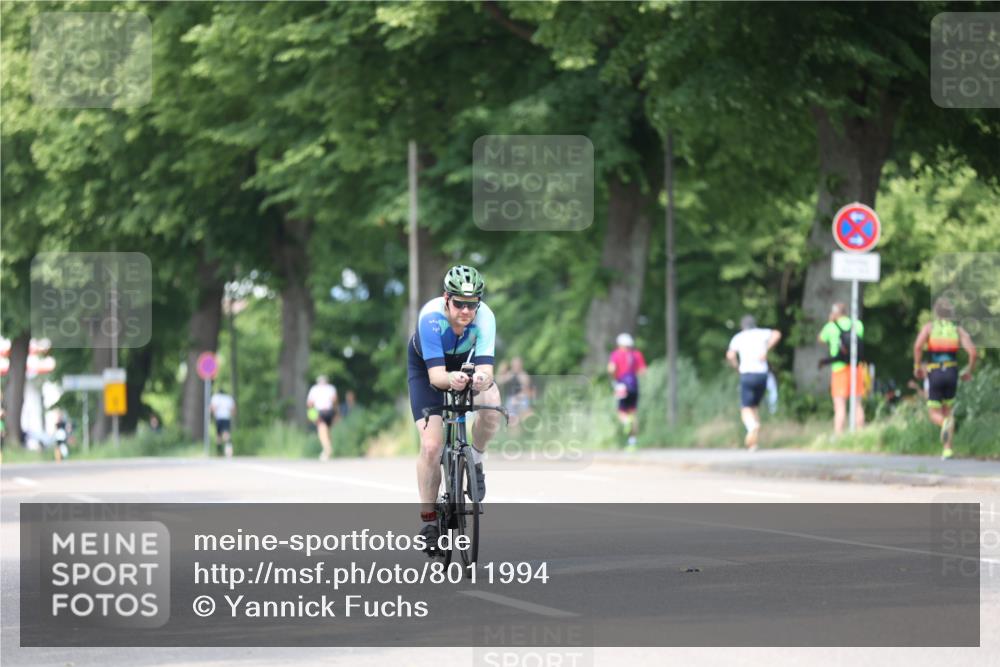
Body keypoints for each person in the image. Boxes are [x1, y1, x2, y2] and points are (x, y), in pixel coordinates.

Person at [409, 265, 501, 553]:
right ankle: (428, 522)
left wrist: (481, 379)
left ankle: (475, 458)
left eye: (472, 304)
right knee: (432, 445)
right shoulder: (431, 318)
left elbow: (486, 370)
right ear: (446, 298)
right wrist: (452, 379)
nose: (466, 310)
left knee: (491, 403)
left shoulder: (485, 318)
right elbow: (437, 378)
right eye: (459, 303)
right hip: (428, 371)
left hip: (464, 367)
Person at [913, 297, 977, 460]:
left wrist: (917, 366)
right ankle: (947, 450)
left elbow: (918, 346)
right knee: (948, 412)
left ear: (936, 313)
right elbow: (973, 352)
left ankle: (943, 424)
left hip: (934, 372)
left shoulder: (929, 328)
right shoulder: (957, 330)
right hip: (952, 372)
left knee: (934, 413)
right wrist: (969, 370)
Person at [726, 315, 782, 451]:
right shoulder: (761, 333)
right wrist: (766, 350)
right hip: (762, 375)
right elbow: (777, 334)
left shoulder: (739, 337)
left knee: (746, 408)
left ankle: (752, 427)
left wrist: (736, 366)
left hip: (747, 374)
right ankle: (754, 444)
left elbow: (730, 355)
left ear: (742, 326)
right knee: (755, 407)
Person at [817, 302, 867, 435]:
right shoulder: (857, 324)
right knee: (857, 403)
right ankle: (860, 434)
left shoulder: (830, 326)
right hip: (856, 368)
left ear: (834, 313)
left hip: (839, 368)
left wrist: (830, 321)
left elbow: (821, 339)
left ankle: (838, 435)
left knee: (839, 405)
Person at [607, 333, 647, 449]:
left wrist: (614, 378)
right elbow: (643, 371)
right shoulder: (637, 354)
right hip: (634, 385)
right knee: (633, 414)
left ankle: (625, 422)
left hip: (621, 385)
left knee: (621, 412)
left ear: (620, 344)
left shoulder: (616, 354)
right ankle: (632, 443)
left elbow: (611, 368)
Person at [497, 356, 533, 434]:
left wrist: (518, 397)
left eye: (517, 364)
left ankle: (525, 432)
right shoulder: (510, 374)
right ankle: (515, 436)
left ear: (521, 365)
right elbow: (499, 381)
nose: (515, 366)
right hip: (511, 399)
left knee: (525, 415)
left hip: (522, 398)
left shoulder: (523, 375)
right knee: (512, 419)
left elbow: (527, 390)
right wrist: (501, 371)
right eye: (514, 364)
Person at [307, 375, 339, 461]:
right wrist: (336, 413)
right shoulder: (331, 388)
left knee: (321, 431)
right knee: (327, 431)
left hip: (320, 412)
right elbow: (335, 401)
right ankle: (326, 452)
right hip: (329, 411)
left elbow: (310, 403)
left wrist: (312, 415)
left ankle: (327, 448)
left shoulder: (314, 389)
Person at [209, 388, 236, 458]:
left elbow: (212, 408)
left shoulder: (215, 397)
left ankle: (219, 452)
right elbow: (233, 409)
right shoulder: (228, 398)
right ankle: (229, 450)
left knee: (218, 436)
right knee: (226, 434)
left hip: (219, 418)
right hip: (227, 417)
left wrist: (212, 415)